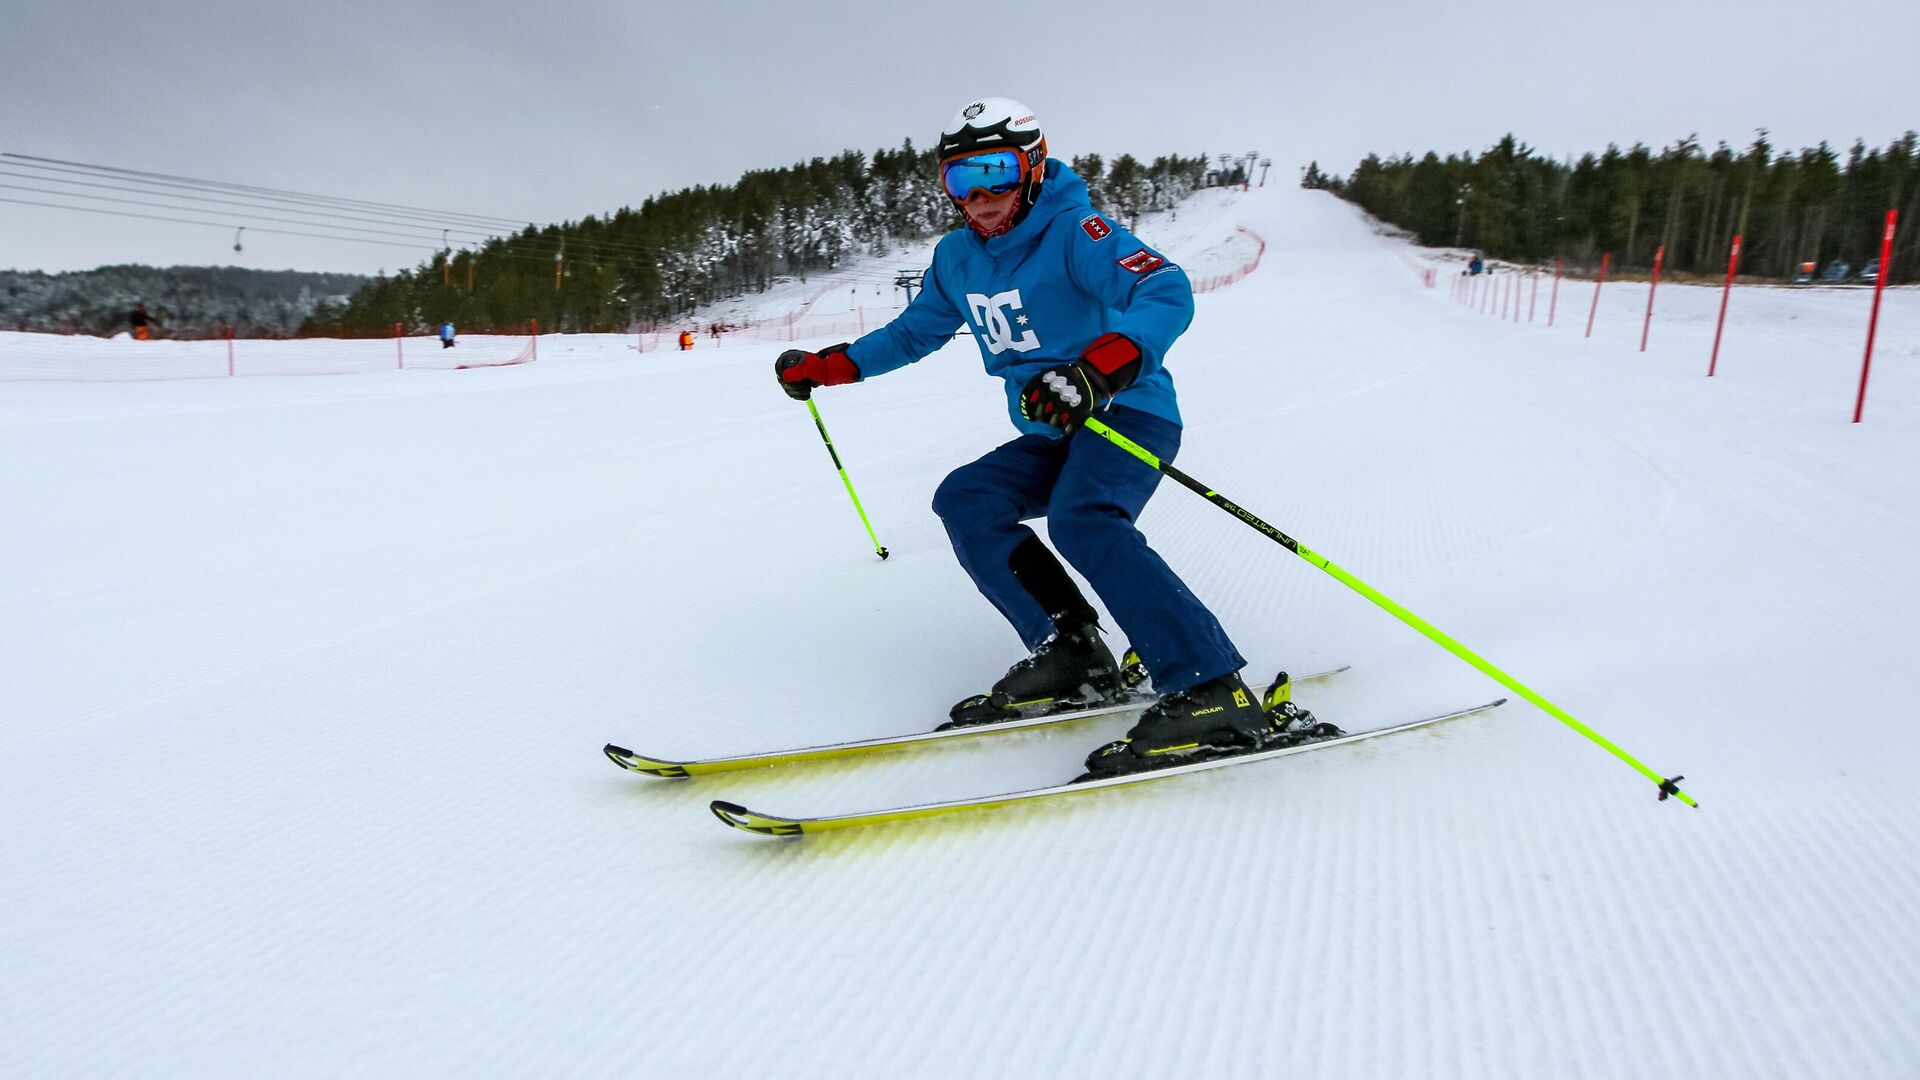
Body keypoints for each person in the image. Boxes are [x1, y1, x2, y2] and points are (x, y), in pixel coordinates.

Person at [773, 97, 1310, 778]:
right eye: (961, 180)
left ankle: (1211, 688)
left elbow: (1167, 289)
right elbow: (914, 334)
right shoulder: (957, 259)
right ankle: (1072, 649)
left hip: (1126, 412)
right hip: (1055, 430)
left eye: (995, 173)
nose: (981, 197)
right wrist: (831, 366)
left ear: (1031, 165)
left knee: (1084, 520)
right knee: (968, 499)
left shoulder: (1075, 231)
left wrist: (1097, 370)